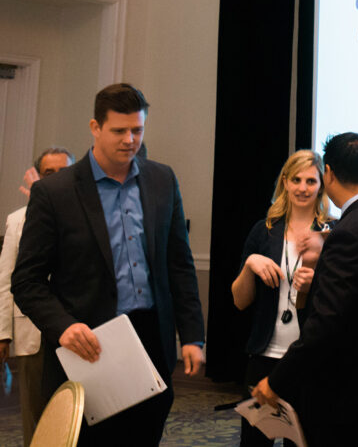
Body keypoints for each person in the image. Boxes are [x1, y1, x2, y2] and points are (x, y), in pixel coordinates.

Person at [12, 83, 205, 446]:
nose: (129, 139)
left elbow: (179, 265)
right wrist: (63, 327)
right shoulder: (55, 193)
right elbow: (27, 281)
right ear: (95, 127)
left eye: (137, 130)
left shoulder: (162, 179)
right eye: (119, 130)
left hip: (151, 338)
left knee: (143, 436)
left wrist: (192, 335)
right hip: (87, 343)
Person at [252, 133, 358, 447]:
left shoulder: (348, 233)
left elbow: (327, 324)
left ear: (328, 173)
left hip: (346, 397)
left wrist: (276, 381)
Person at [232, 150, 328, 446]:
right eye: (296, 179)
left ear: (322, 185)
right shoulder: (264, 231)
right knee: (254, 441)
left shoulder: (331, 233)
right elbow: (240, 300)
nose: (303, 187)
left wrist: (318, 283)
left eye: (311, 181)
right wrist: (251, 264)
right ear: (284, 182)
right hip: (264, 357)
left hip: (307, 360)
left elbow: (343, 300)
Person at [0, 147, 74, 444]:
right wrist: (3, 333)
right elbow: (6, 279)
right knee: (37, 416)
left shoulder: (90, 217)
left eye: (64, 173)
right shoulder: (18, 220)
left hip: (77, 328)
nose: (57, 179)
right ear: (38, 179)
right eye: (48, 174)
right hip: (33, 330)